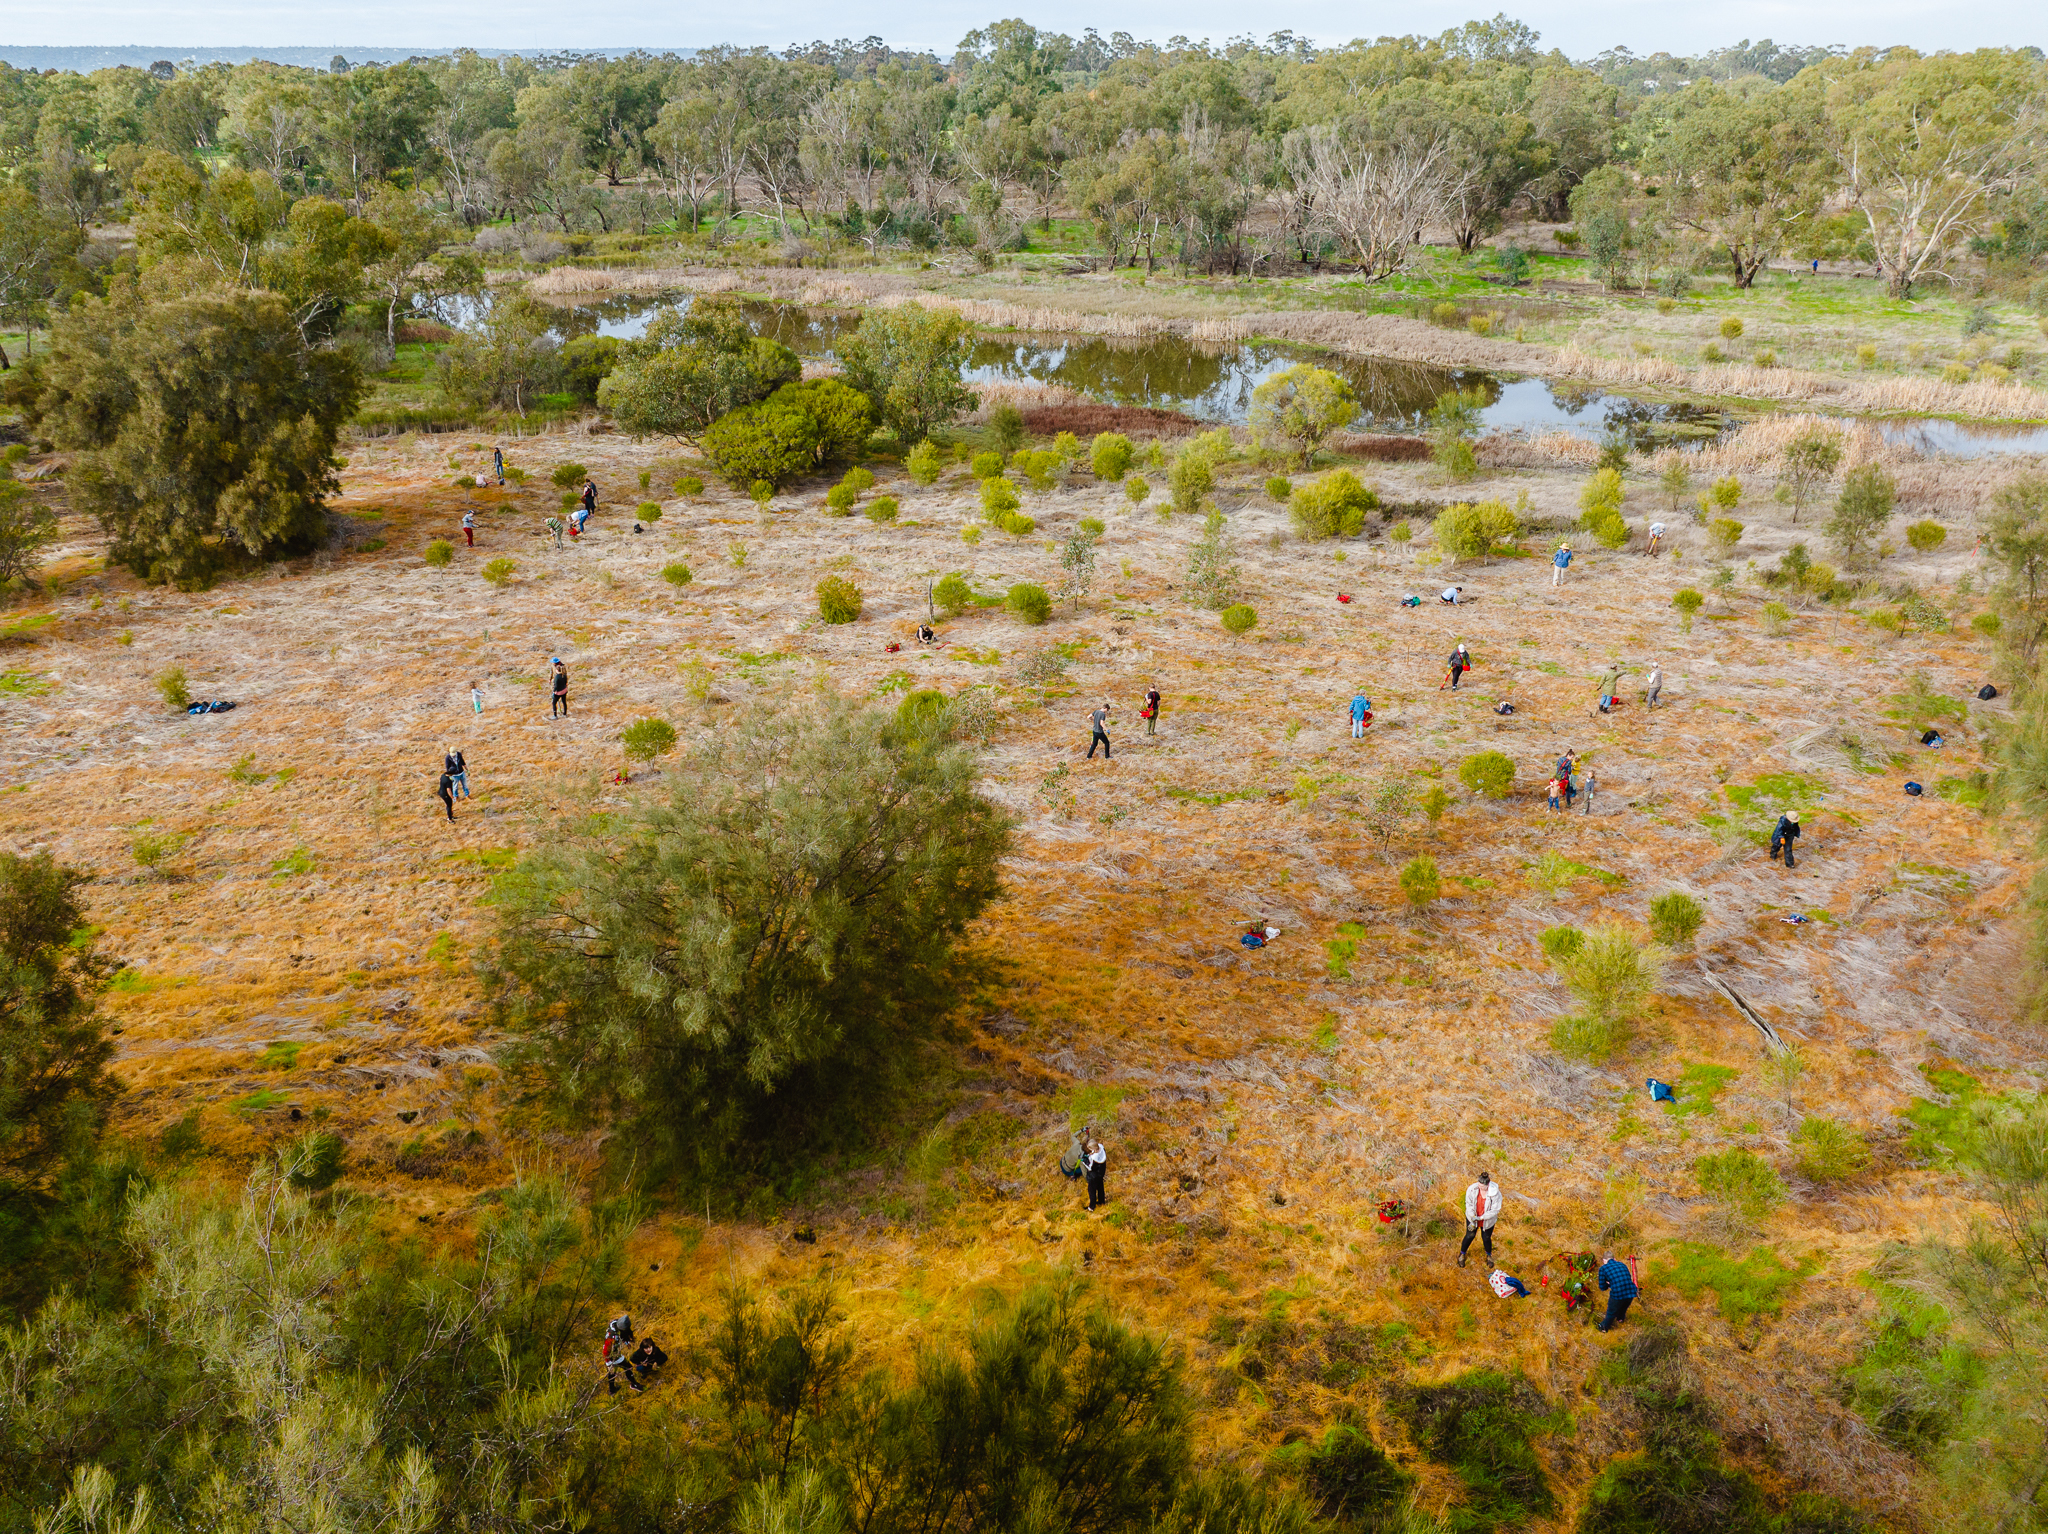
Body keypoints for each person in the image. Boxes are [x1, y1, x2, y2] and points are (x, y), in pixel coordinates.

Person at [1459, 1171, 1501, 1268]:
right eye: (1479, 1185)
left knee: (1486, 1238)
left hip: (1487, 1220)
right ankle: (1462, 1254)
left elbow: (1495, 1210)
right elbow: (1468, 1204)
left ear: (1488, 1185)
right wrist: (1472, 1216)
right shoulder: (1472, 1189)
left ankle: (1489, 1255)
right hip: (1473, 1217)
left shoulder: (1495, 1193)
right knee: (1469, 1236)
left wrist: (1482, 1217)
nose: (1480, 1188)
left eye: (1483, 1187)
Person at [603, 1315, 646, 1394]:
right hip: (612, 1355)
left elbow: (621, 1334)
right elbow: (606, 1351)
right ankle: (634, 1384)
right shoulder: (611, 1337)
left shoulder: (615, 1323)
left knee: (612, 1372)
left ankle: (612, 1390)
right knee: (628, 1367)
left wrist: (626, 1342)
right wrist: (609, 1361)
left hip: (615, 1352)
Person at [1596, 1254, 1638, 1332]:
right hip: (1631, 1291)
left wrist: (1608, 1284)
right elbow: (1627, 1277)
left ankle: (1604, 1328)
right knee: (1623, 1307)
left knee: (1611, 1312)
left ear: (1604, 1260)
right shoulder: (1622, 1264)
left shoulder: (1603, 1268)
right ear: (1614, 1258)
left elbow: (1602, 1287)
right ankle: (1620, 1319)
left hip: (1618, 1294)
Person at [1085, 1133, 1108, 1210]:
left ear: (1093, 1149)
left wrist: (1084, 1161)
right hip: (1101, 1173)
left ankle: (1092, 1207)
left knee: (1092, 1190)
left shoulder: (1093, 1157)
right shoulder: (1101, 1147)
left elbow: (1090, 1167)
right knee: (1100, 1188)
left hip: (1093, 1176)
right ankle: (1102, 1202)